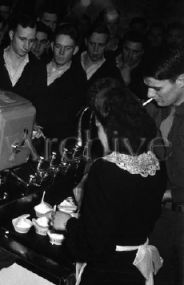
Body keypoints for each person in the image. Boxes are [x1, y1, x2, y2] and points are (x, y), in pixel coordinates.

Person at [52, 86, 165, 285]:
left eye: (98, 127)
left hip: (108, 272)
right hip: (134, 270)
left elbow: (92, 246)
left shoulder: (105, 170)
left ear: (110, 128)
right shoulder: (154, 162)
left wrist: (67, 223)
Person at [144, 47, 184, 208]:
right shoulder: (152, 110)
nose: (149, 94)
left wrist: (168, 195)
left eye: (157, 88)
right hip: (158, 212)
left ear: (181, 80)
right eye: (147, 86)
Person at [34, 23, 87, 141]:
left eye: (67, 48)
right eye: (58, 46)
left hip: (54, 142)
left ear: (75, 50)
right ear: (52, 46)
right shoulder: (37, 66)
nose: (61, 52)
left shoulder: (78, 78)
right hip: (25, 129)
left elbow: (67, 116)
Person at [0, 14, 46, 102]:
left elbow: (38, 105)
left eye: (31, 41)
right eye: (22, 39)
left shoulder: (38, 68)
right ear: (11, 35)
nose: (27, 46)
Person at [80, 23, 122, 88]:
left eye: (100, 45)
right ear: (86, 41)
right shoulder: (72, 61)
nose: (95, 50)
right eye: (92, 44)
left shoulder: (112, 70)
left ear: (106, 45)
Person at [115, 31, 147, 99]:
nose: (129, 55)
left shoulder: (146, 72)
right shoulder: (111, 62)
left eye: (135, 52)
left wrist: (127, 83)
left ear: (142, 52)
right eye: (126, 49)